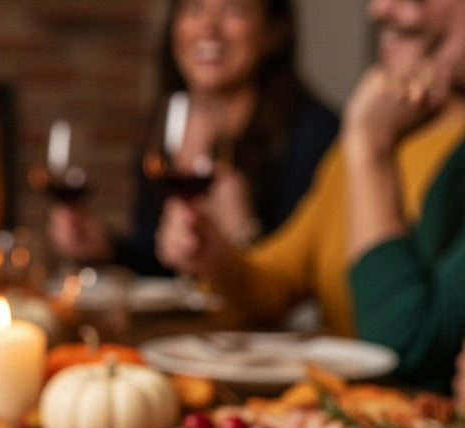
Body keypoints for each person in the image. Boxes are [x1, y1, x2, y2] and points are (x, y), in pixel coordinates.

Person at [157, 0, 465, 392]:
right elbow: (278, 278)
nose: (379, 8)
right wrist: (216, 259)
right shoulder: (386, 125)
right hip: (338, 415)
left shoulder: (374, 136)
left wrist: (369, 147)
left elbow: (405, 342)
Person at [48, 0, 338, 275]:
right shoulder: (166, 129)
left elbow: (305, 287)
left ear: (275, 32)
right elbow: (163, 266)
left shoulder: (318, 136)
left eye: (234, 8)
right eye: (194, 7)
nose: (208, 28)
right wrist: (106, 248)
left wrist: (243, 231)